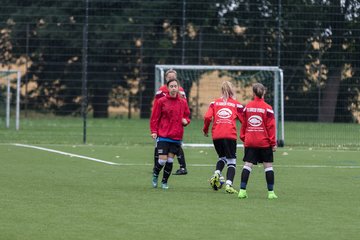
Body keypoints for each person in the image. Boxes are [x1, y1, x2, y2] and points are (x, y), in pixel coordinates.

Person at [237, 82, 278, 199]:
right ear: (263, 92)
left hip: (250, 141)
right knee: (268, 166)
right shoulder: (268, 108)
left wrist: (244, 138)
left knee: (247, 165)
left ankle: (242, 191)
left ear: (253, 93)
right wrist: (273, 143)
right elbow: (271, 127)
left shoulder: (247, 107)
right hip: (264, 142)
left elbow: (244, 124)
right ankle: (271, 193)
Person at [203, 81, 244, 194]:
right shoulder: (237, 104)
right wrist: (245, 134)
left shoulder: (214, 103)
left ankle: (217, 173)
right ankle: (229, 185)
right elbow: (244, 120)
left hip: (217, 135)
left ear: (221, 90)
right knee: (232, 161)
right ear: (232, 91)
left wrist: (205, 129)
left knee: (222, 157)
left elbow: (207, 117)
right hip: (230, 135)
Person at [150, 78, 191, 189]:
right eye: (171, 86)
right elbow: (155, 118)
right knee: (162, 160)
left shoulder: (182, 102)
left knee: (170, 160)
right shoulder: (161, 101)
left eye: (175, 86)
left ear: (178, 88)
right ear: (168, 88)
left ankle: (164, 182)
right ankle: (155, 174)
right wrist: (154, 131)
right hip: (163, 135)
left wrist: (186, 121)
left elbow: (187, 116)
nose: (173, 88)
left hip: (176, 136)